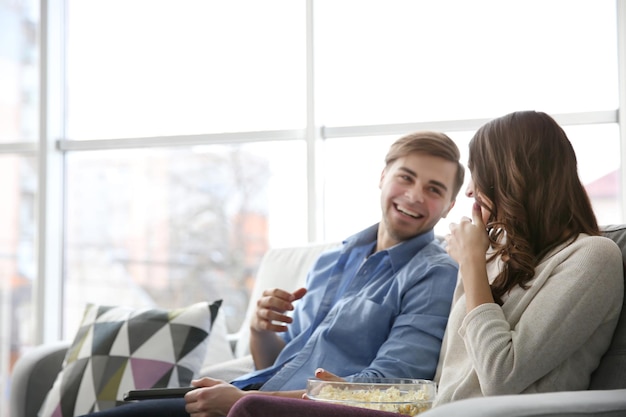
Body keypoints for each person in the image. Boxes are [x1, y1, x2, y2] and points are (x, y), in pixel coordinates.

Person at [223, 110, 625, 416]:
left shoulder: (593, 258)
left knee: (246, 409)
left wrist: (470, 265)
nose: (471, 190)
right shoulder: (497, 258)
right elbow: (441, 386)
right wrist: (345, 393)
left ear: (514, 177)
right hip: (433, 412)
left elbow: (501, 377)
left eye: (480, 174)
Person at [79, 130, 466, 417]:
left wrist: (247, 402)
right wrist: (260, 329)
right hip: (252, 394)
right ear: (383, 177)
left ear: (448, 206)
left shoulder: (435, 275)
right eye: (406, 177)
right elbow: (280, 361)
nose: (415, 195)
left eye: (434, 189)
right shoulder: (332, 261)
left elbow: (387, 391)